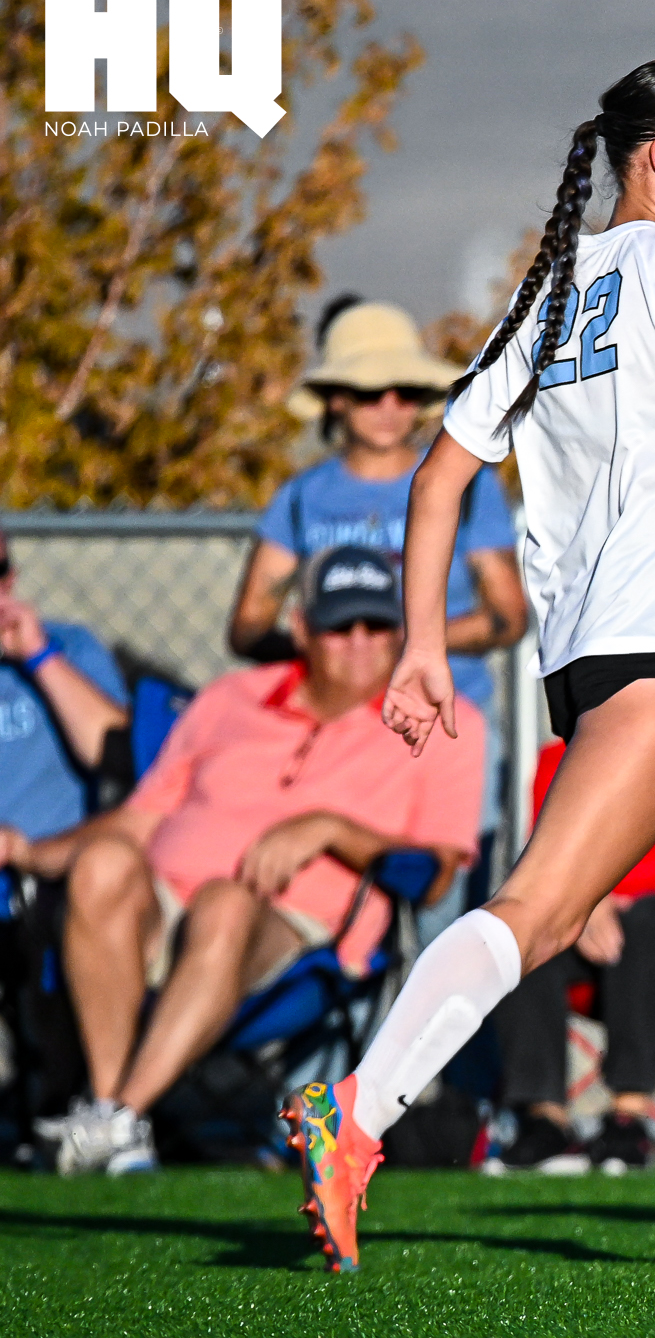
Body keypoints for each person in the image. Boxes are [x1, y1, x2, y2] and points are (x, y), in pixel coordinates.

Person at [282, 59, 655, 1272]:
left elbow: (442, 478)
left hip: (614, 655)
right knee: (542, 913)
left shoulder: (551, 295)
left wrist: (425, 647)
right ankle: (359, 1111)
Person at [3, 548, 482, 1174]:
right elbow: (138, 819)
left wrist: (331, 828)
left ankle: (117, 1113)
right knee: (102, 863)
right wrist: (25, 850)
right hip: (161, 910)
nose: (361, 643)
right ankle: (116, 1120)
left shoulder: (444, 722)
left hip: (301, 939)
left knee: (226, 904)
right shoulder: (230, 698)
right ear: (304, 629)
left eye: (379, 625)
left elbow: (437, 871)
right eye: (341, 626)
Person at [227, 299, 527, 909]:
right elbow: (249, 622)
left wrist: (412, 645)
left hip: (446, 726)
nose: (391, 408)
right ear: (335, 398)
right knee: (333, 906)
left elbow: (507, 614)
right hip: (335, 744)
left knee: (444, 915)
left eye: (406, 391)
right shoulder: (303, 496)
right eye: (370, 392)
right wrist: (336, 656)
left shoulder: (463, 480)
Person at [489, 740, 655, 1174]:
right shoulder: (564, 756)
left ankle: (628, 1116)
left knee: (651, 922)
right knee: (522, 938)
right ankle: (544, 1119)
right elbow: (551, 856)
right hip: (595, 913)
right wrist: (588, 898)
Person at [0, 517, 128, 849]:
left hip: (42, 874)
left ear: (10, 580)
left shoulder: (68, 646)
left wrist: (40, 657)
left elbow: (114, 751)